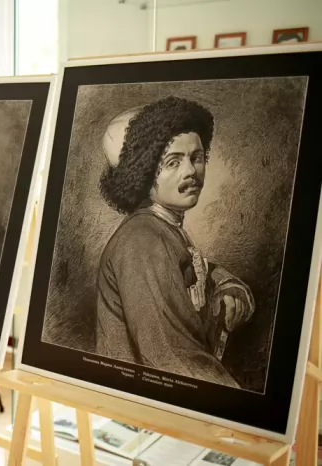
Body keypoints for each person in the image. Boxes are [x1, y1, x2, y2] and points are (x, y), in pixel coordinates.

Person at [95, 96, 255, 387]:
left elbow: (196, 267)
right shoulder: (142, 241)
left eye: (197, 157)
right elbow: (172, 359)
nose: (191, 171)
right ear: (142, 174)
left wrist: (227, 285)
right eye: (173, 162)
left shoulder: (163, 227)